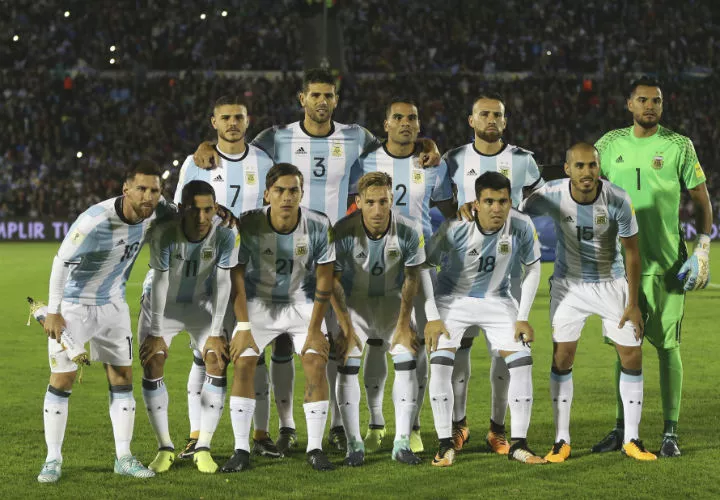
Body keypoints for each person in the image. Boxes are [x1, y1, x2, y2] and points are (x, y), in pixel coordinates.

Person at [193, 69, 440, 453]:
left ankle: (338, 428)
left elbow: (396, 143)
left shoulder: (356, 136)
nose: (322, 101)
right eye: (315, 95)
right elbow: (237, 146)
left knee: (331, 343)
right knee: (275, 347)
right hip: (281, 252)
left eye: (329, 95)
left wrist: (425, 141)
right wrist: (208, 144)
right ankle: (284, 427)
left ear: (336, 100)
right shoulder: (276, 137)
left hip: (335, 252)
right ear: (302, 99)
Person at [592, 78, 713, 457]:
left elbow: (701, 198)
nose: (650, 106)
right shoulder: (608, 145)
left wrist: (704, 246)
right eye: (642, 100)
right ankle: (621, 429)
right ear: (629, 104)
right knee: (624, 349)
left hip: (666, 264)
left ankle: (670, 433)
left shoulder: (679, 145)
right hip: (618, 266)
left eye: (656, 101)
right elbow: (583, 186)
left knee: (668, 348)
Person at [520, 143, 657, 462]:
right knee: (562, 357)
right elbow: (511, 213)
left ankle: (632, 439)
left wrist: (633, 302)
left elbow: (633, 253)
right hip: (570, 287)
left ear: (599, 168)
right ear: (567, 168)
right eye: (579, 166)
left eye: (592, 166)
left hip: (612, 285)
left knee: (632, 356)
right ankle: (561, 440)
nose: (586, 172)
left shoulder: (618, 198)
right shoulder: (549, 195)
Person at [37, 160, 164, 483]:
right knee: (62, 379)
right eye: (142, 189)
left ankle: (123, 456)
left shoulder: (157, 209)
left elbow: (186, 211)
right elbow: (61, 262)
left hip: (113, 306)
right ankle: (53, 459)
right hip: (75, 308)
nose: (149, 196)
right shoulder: (93, 221)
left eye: (154, 190)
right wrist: (54, 311)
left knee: (122, 378)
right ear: (126, 190)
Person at [173, 96, 279, 460]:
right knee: (206, 355)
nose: (233, 123)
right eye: (225, 118)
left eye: (238, 117)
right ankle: (195, 435)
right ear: (213, 122)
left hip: (256, 269)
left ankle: (262, 435)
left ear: (248, 121)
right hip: (208, 272)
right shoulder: (195, 162)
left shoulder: (263, 160)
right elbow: (179, 214)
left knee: (255, 352)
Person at [347, 99, 455, 454]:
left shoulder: (432, 164)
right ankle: (376, 422)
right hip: (372, 265)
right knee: (376, 343)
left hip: (419, 267)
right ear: (386, 124)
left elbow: (449, 212)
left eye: (412, 118)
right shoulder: (365, 162)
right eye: (398, 118)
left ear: (419, 126)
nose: (405, 123)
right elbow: (355, 207)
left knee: (417, 345)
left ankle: (412, 426)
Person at [443, 94, 545, 454]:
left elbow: (535, 200)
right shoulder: (453, 158)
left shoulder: (523, 160)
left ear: (505, 121)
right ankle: (458, 425)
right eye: (483, 114)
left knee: (505, 352)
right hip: (464, 271)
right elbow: (444, 202)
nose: (490, 119)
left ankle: (497, 429)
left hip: (506, 270)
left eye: (497, 115)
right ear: (471, 120)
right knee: (458, 350)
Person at [220, 163, 337, 472]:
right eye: (280, 191)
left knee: (315, 360)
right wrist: (243, 326)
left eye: (294, 191)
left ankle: (314, 448)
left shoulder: (318, 223)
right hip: (258, 302)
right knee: (244, 360)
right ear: (267, 194)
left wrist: (314, 330)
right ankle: (241, 449)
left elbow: (325, 279)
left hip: (302, 302)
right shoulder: (248, 224)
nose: (287, 197)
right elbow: (237, 279)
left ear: (302, 193)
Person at [424, 171, 546, 466]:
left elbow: (533, 267)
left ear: (510, 201)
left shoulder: (521, 224)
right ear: (475, 203)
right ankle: (445, 444)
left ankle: (518, 443)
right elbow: (423, 265)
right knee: (440, 363)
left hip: (498, 299)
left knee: (521, 361)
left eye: (502, 201)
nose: (497, 208)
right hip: (452, 299)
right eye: (488, 201)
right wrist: (432, 316)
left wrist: (523, 317)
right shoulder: (455, 227)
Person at [331, 172, 437, 466]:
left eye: (383, 202)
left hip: (393, 303)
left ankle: (402, 442)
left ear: (392, 200)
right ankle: (355, 444)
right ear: (358, 202)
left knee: (407, 360)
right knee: (348, 361)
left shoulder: (409, 229)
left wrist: (404, 325)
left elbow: (411, 277)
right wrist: (346, 326)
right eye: (370, 202)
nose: (377, 210)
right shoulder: (342, 231)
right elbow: (333, 282)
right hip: (355, 304)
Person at [137, 181, 238, 474]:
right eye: (195, 210)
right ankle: (165, 447)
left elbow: (222, 282)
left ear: (215, 208)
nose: (202, 217)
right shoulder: (164, 233)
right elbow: (160, 280)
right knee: (152, 363)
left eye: (209, 210)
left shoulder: (226, 233)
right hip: (163, 304)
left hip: (201, 304)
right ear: (182, 209)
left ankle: (203, 446)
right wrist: (156, 332)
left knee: (217, 360)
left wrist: (217, 332)